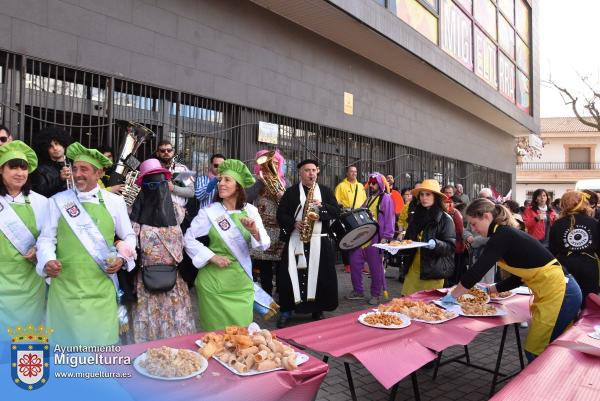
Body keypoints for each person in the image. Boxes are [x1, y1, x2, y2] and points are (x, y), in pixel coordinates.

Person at [445, 199, 582, 361]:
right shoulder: (503, 234)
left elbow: (477, 271)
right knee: (541, 349)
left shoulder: (502, 235)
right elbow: (518, 278)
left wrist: (453, 296)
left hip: (563, 293)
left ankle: (543, 384)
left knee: (537, 350)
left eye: (474, 224)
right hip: (554, 292)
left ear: (487, 216)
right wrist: (489, 290)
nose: (473, 229)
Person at [36, 142, 136, 345]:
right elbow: (46, 239)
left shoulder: (114, 202)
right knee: (65, 352)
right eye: (75, 169)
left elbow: (129, 237)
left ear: (99, 173)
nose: (77, 174)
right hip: (65, 290)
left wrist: (122, 258)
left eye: (84, 169)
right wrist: (48, 260)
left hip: (102, 289)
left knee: (102, 353)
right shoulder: (57, 201)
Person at [184, 159, 272, 331]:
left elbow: (264, 245)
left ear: (238, 186)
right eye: (220, 180)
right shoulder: (209, 212)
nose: (221, 184)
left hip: (241, 284)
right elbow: (188, 239)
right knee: (217, 339)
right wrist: (212, 257)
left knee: (242, 336)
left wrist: (254, 230)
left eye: (227, 180)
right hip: (213, 286)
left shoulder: (251, 211)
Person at [129, 158, 196, 342]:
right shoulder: (133, 212)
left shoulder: (177, 210)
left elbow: (191, 191)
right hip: (146, 281)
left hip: (174, 281)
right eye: (151, 183)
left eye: (161, 182)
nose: (157, 187)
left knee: (175, 327)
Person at [276, 159, 340, 328]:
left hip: (320, 239)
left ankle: (318, 309)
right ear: (300, 173)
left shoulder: (325, 191)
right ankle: (286, 311)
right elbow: (280, 214)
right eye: (307, 170)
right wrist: (294, 223)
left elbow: (336, 211)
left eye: (313, 170)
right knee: (288, 276)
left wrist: (322, 207)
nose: (311, 173)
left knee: (322, 277)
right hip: (297, 240)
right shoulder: (290, 192)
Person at [0, 141, 48, 344]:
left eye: (24, 167)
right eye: (13, 167)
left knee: (26, 347)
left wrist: (41, 249)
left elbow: (51, 240)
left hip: (30, 288)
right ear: (1, 169)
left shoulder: (41, 202)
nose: (20, 172)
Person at [347, 172, 395, 304]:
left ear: (379, 183)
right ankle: (358, 291)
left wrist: (386, 236)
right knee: (354, 262)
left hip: (376, 238)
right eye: (371, 183)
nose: (372, 185)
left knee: (375, 268)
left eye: (374, 183)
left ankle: (375, 294)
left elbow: (390, 217)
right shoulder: (368, 200)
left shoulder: (386, 198)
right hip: (362, 238)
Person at [400, 179, 455, 295]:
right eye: (422, 194)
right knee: (407, 304)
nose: (424, 198)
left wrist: (436, 244)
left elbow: (450, 247)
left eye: (428, 194)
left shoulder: (445, 219)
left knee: (428, 308)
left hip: (433, 272)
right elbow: (409, 240)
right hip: (413, 270)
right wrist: (400, 244)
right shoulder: (416, 217)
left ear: (436, 197)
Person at [247, 149, 288, 296]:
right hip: (263, 228)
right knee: (264, 265)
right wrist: (260, 182)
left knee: (280, 264)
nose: (274, 165)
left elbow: (289, 203)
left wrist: (280, 194)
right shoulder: (255, 180)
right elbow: (247, 197)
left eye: (276, 162)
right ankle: (266, 294)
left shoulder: (285, 181)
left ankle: (281, 293)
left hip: (279, 228)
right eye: (271, 163)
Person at [549, 191, 600, 305]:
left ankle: (571, 322)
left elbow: (552, 250)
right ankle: (586, 322)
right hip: (589, 266)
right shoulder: (594, 223)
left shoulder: (558, 224)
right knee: (589, 301)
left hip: (565, 267)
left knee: (568, 301)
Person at [335, 165, 366, 273]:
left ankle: (359, 263)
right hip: (346, 215)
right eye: (351, 171)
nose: (354, 173)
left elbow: (364, 201)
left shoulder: (361, 186)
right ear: (347, 173)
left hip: (358, 215)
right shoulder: (341, 186)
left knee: (360, 239)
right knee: (347, 239)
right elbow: (336, 202)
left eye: (355, 172)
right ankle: (347, 264)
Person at [154, 140, 195, 225]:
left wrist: (173, 188)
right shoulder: (152, 169)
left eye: (169, 150)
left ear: (173, 152)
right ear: (157, 153)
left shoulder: (181, 169)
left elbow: (191, 192)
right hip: (155, 213)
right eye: (162, 151)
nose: (166, 152)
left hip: (177, 215)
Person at [30, 127, 73, 198]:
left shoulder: (74, 164)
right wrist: (60, 179)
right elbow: (39, 192)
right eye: (50, 146)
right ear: (45, 149)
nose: (55, 148)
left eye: (57, 143)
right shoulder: (41, 170)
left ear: (63, 144)